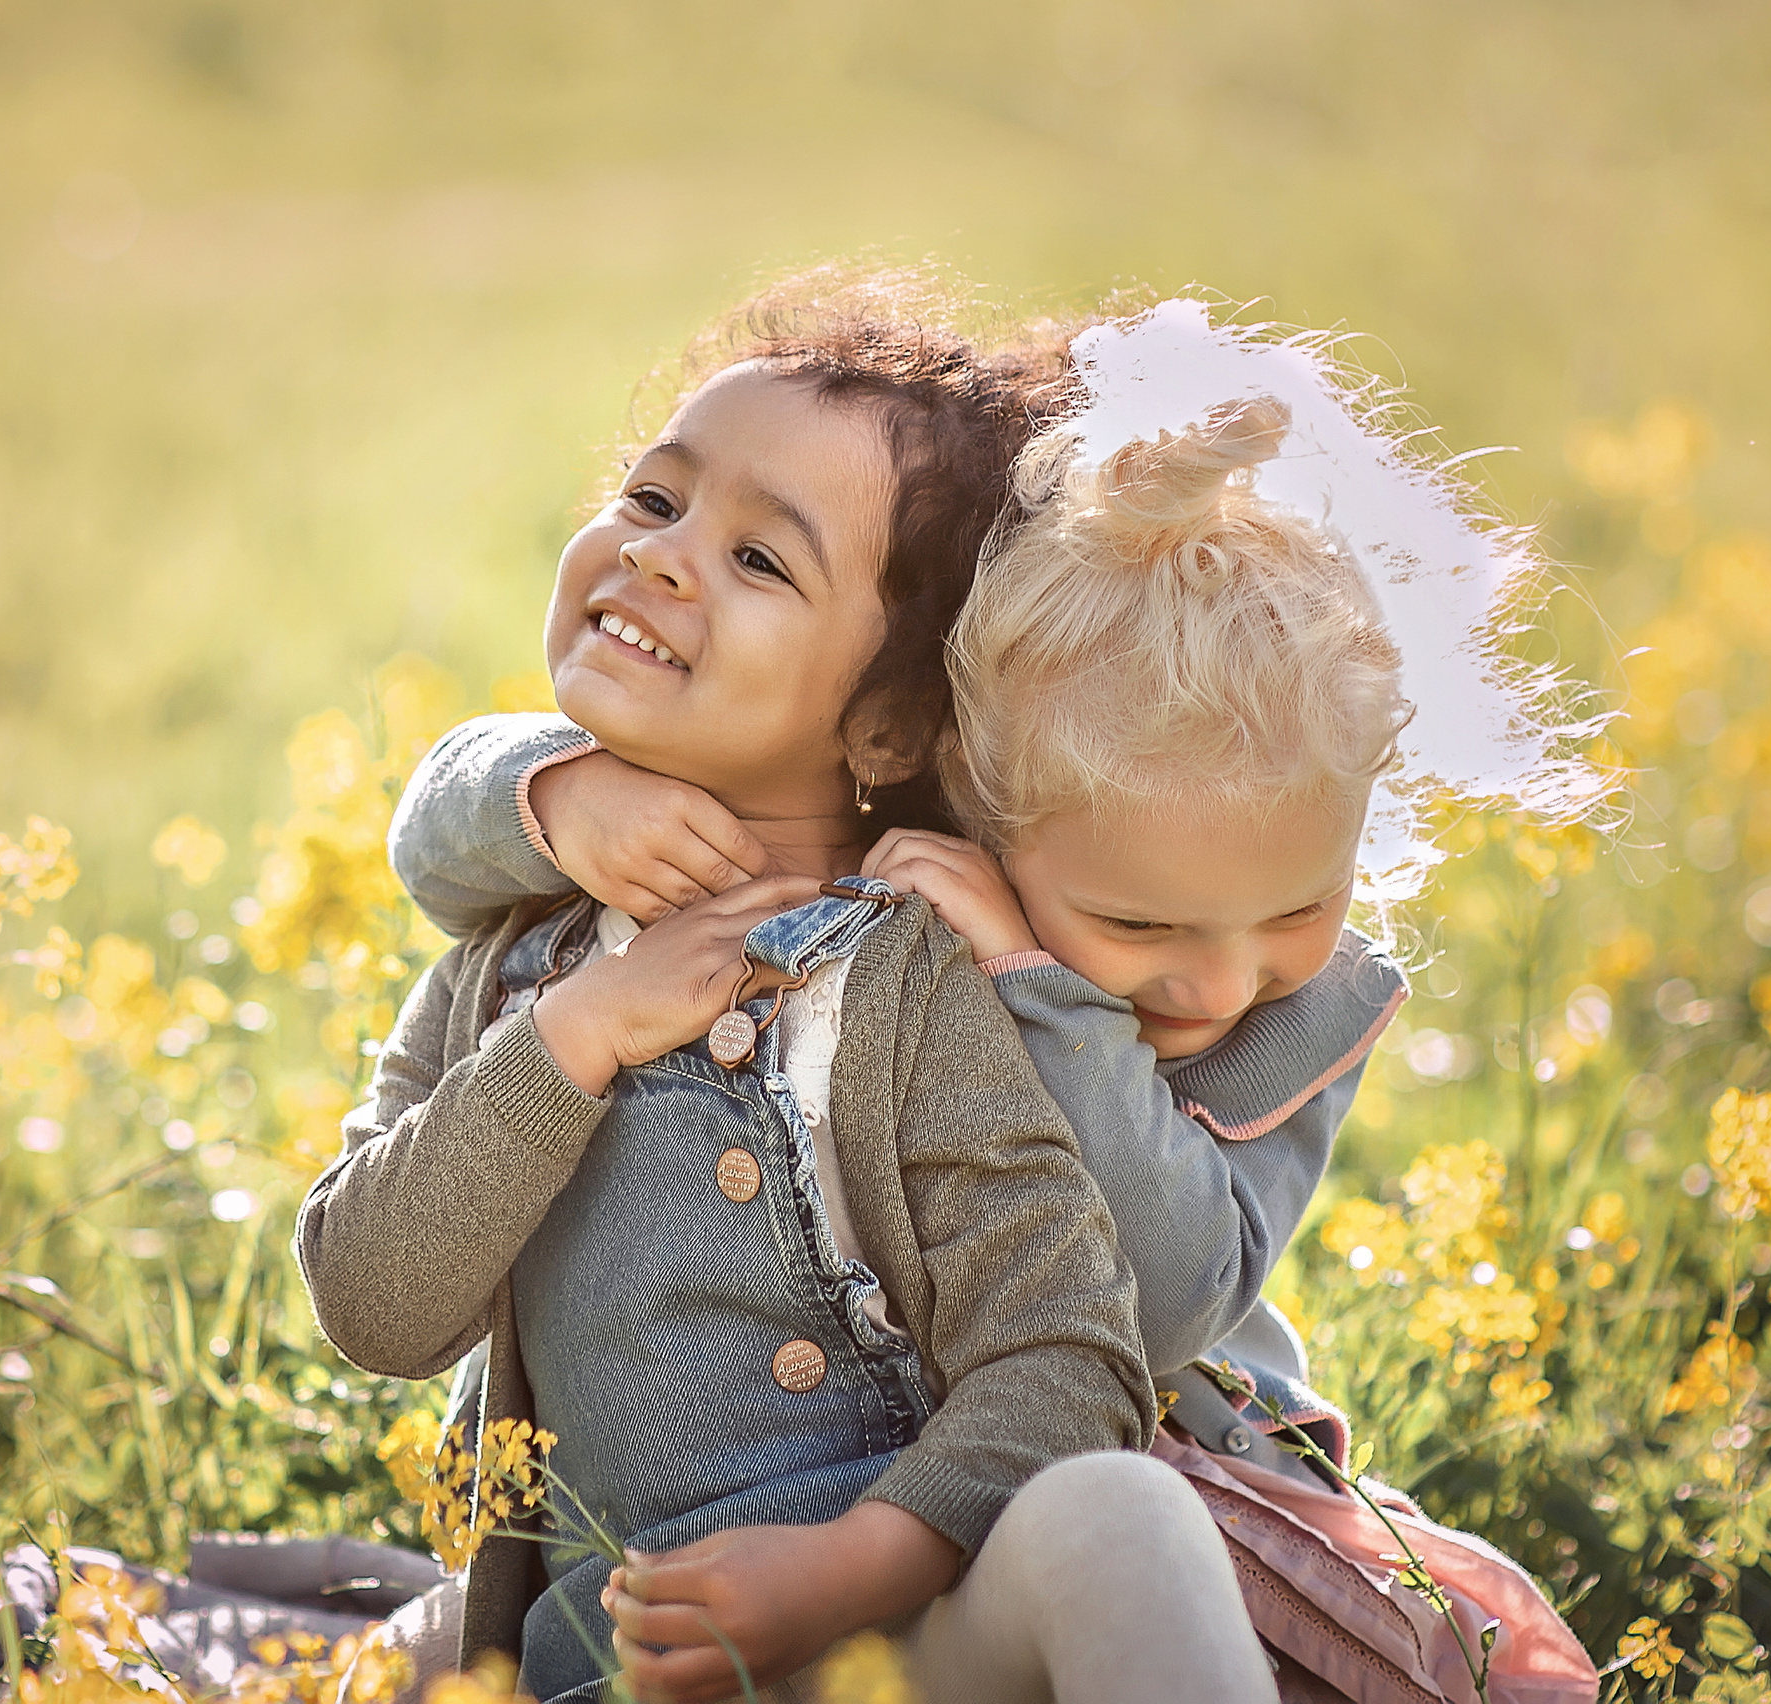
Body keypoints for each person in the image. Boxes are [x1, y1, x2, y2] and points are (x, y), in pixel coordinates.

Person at [383, 298, 1602, 1701]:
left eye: (1298, 910)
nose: (1220, 978)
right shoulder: (883, 901)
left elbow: (1149, 1303)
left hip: (1177, 1522)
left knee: (1117, 1525)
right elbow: (438, 844)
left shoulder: (1251, 1013)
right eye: (1136, 923)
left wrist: (1055, 991)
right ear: (970, 811)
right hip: (792, 1596)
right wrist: (554, 788)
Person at [298, 271, 1283, 1704]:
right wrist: (577, 1033)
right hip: (612, 1666)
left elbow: (1066, 1358)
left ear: (886, 722)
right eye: (652, 502)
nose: (667, 557)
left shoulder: (916, 979)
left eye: (763, 562)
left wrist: (860, 1563)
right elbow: (369, 1303)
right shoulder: (513, 966)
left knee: (1122, 1523)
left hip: (907, 1642)